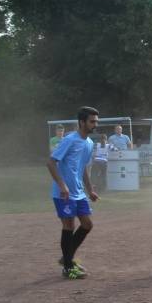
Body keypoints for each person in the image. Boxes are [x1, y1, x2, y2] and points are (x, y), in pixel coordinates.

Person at [48, 106, 101, 279]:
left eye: (96, 121)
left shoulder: (89, 143)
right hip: (64, 193)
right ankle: (68, 268)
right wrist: (62, 186)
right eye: (92, 121)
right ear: (82, 122)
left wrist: (90, 189)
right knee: (69, 226)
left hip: (78, 192)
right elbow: (51, 163)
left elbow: (83, 167)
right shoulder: (70, 139)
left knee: (87, 225)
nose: (95, 124)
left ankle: (67, 258)